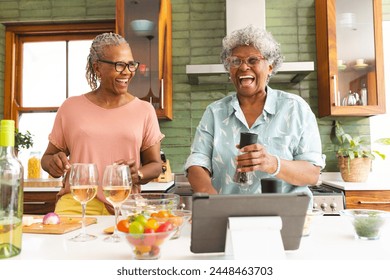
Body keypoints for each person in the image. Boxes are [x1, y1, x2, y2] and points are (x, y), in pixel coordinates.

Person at [185, 25, 325, 204]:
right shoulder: (215, 112)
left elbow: (312, 174)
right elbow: (197, 162)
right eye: (235, 61)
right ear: (229, 70)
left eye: (253, 60)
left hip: (286, 219)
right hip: (228, 215)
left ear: (270, 67)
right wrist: (211, 199)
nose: (243, 67)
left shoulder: (296, 109)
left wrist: (272, 163)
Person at [41, 32, 164, 215]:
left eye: (131, 65)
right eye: (119, 65)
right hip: (77, 203)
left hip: (125, 205)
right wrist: (54, 162)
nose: (127, 72)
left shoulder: (144, 110)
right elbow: (47, 158)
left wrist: (137, 174)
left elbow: (155, 165)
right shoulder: (70, 107)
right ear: (97, 68)